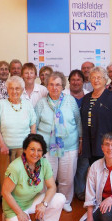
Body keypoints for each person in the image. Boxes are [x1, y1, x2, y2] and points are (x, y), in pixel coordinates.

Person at [2, 134, 66, 221]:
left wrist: (44, 204)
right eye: (32, 149)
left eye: (39, 150)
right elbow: (5, 192)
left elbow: (52, 187)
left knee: (60, 198)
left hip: (31, 201)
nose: (36, 154)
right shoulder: (16, 167)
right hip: (15, 207)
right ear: (25, 149)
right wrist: (20, 213)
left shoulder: (44, 163)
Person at [35, 71, 81, 212]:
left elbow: (78, 121)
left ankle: (65, 201)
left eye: (58, 85)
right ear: (47, 86)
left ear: (62, 86)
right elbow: (35, 125)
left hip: (69, 146)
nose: (55, 87)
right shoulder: (41, 103)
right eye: (51, 84)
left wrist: (81, 140)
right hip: (47, 148)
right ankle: (47, 202)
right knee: (48, 178)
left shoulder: (70, 101)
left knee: (67, 178)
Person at [0, 76, 37, 189]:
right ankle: (8, 205)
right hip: (5, 150)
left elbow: (33, 125)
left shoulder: (27, 104)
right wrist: (2, 145)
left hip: (24, 150)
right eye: (11, 88)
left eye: (17, 88)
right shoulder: (1, 104)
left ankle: (23, 205)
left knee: (24, 179)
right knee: (6, 180)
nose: (14, 91)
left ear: (22, 90)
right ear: (7, 89)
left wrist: (31, 146)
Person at [81, 67, 112, 166]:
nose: (96, 80)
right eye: (93, 77)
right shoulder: (86, 98)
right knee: (94, 171)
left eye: (99, 77)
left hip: (107, 143)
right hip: (89, 142)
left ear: (105, 80)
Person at [63, 70, 89, 201]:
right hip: (68, 137)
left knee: (83, 164)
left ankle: (79, 190)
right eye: (73, 79)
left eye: (79, 79)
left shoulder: (89, 96)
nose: (75, 82)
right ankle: (65, 193)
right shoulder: (63, 96)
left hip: (86, 136)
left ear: (83, 82)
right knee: (67, 166)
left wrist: (83, 139)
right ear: (69, 82)